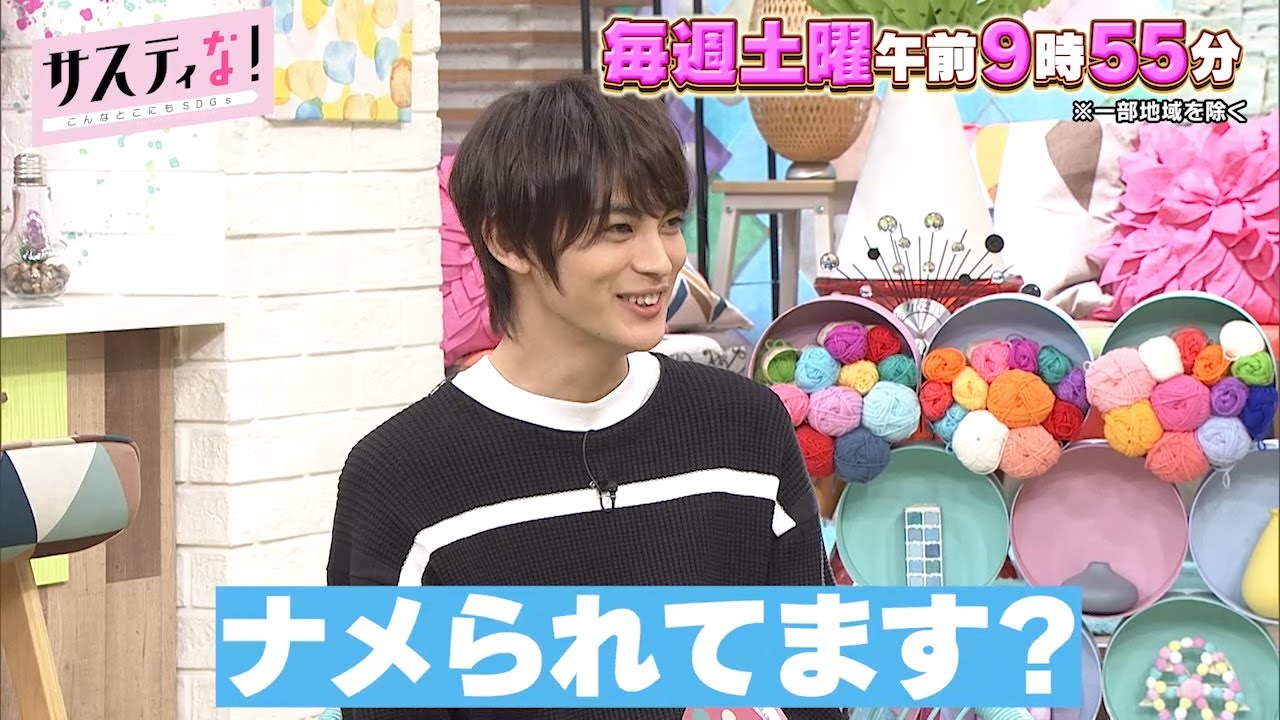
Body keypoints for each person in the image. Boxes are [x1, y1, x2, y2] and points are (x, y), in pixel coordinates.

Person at [327, 73, 844, 720]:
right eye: (619, 228)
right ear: (507, 241)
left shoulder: (746, 429)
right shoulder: (401, 476)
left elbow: (813, 685)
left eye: (669, 223)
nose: (661, 261)